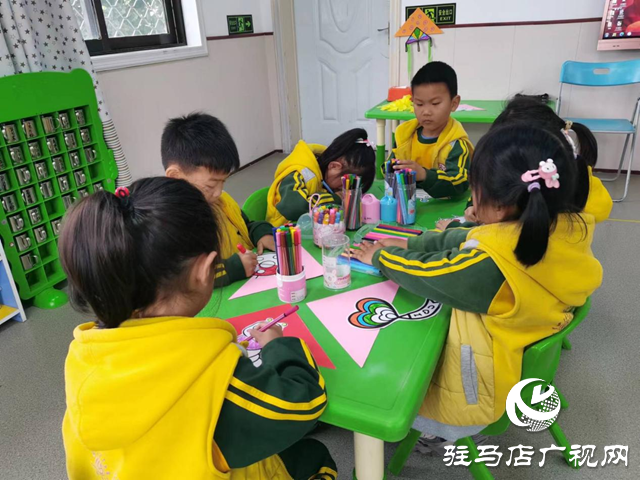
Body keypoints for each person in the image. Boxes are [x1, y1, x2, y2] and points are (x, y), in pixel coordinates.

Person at [59, 177, 337, 480]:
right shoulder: (214, 377)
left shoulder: (82, 354)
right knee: (315, 457)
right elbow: (304, 402)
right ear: (204, 271)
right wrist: (277, 346)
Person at [353, 125, 602, 449]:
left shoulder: (492, 267)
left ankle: (434, 434)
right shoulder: (559, 228)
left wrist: (381, 257)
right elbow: (472, 236)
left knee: (382, 369)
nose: (472, 199)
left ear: (498, 207)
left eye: (475, 190)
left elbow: (432, 274)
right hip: (515, 363)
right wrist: (412, 242)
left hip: (472, 397)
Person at [439, 96, 612, 230]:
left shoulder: (549, 201)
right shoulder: (545, 172)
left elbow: (507, 238)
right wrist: (475, 205)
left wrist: (459, 229)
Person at [162, 113, 275, 285]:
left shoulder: (221, 202)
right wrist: (232, 268)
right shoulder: (167, 224)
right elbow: (180, 279)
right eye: (211, 185)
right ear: (175, 176)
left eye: (223, 182)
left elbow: (245, 226)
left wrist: (261, 234)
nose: (218, 192)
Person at [390, 61, 474, 198]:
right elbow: (389, 166)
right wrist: (391, 168)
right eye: (419, 104)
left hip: (444, 205)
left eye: (435, 103)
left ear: (454, 103)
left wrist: (424, 175)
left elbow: (460, 182)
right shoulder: (405, 135)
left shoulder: (456, 144)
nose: (426, 112)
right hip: (409, 202)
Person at [266, 128, 375, 227]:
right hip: (284, 232)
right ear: (334, 166)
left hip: (310, 228)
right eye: (344, 185)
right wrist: (335, 198)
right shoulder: (298, 173)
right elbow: (292, 208)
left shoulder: (325, 172)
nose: (343, 190)